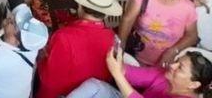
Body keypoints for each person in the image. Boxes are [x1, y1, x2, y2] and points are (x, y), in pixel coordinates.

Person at [34, 0, 122, 98]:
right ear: (106, 13)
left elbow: (50, 81)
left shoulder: (63, 37)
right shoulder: (112, 38)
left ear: (80, 6)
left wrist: (41, 59)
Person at [119, 0, 200, 67]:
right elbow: (127, 19)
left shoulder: (188, 8)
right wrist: (120, 45)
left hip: (165, 64)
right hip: (135, 56)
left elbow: (192, 36)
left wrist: (172, 51)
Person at [72, 44, 212, 98]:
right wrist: (118, 62)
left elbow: (120, 76)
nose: (172, 66)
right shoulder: (164, 74)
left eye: (179, 68)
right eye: (177, 61)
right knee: (94, 85)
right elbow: (130, 73)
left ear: (193, 85)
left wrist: (117, 74)